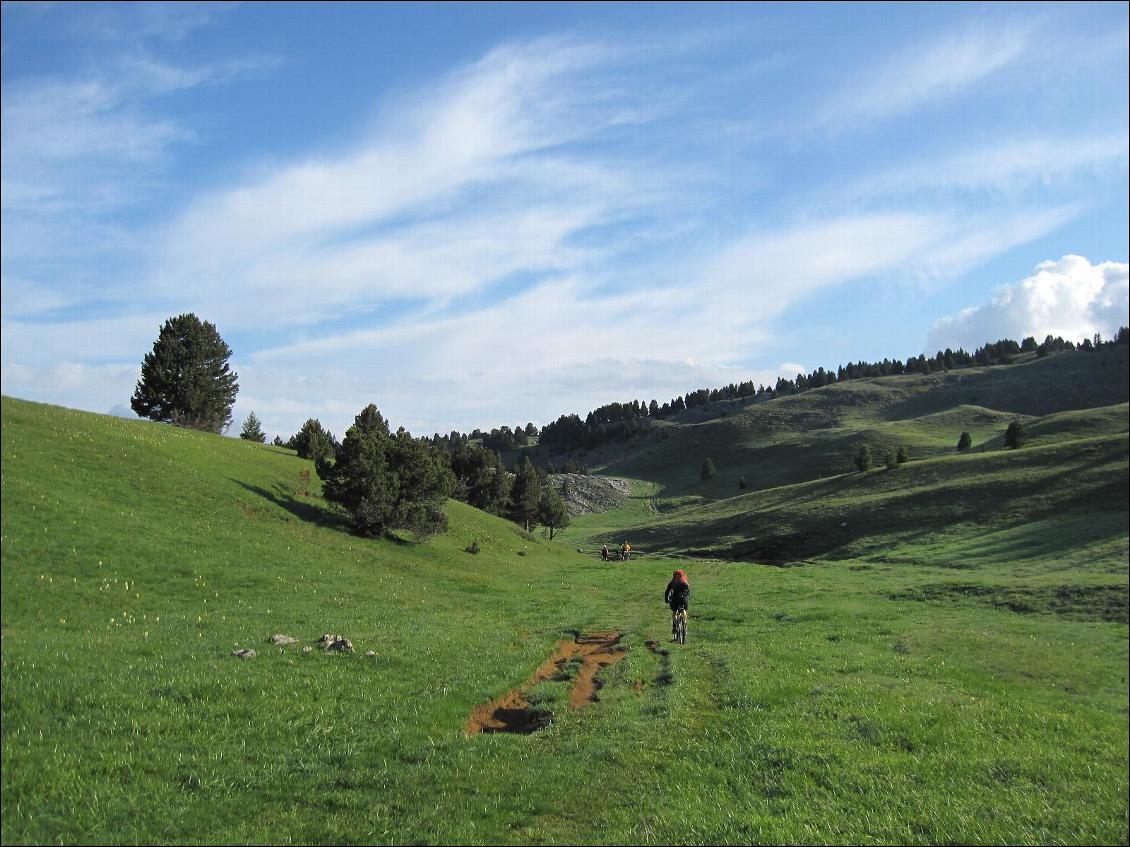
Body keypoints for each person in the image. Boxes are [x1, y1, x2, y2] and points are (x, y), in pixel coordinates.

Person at [664, 568, 690, 640]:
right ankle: (684, 624)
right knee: (683, 609)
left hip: (674, 599)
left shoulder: (672, 582)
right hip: (683, 599)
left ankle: (675, 625)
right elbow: (688, 591)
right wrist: (686, 597)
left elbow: (667, 591)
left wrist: (666, 599)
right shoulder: (685, 582)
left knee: (674, 612)